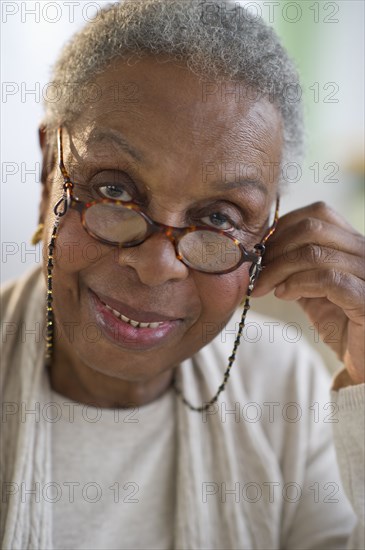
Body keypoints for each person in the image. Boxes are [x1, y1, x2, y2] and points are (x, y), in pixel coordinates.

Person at [1, 1, 364, 549]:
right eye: (114, 189)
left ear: (266, 239)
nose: (155, 266)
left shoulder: (285, 389)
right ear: (51, 169)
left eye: (218, 218)